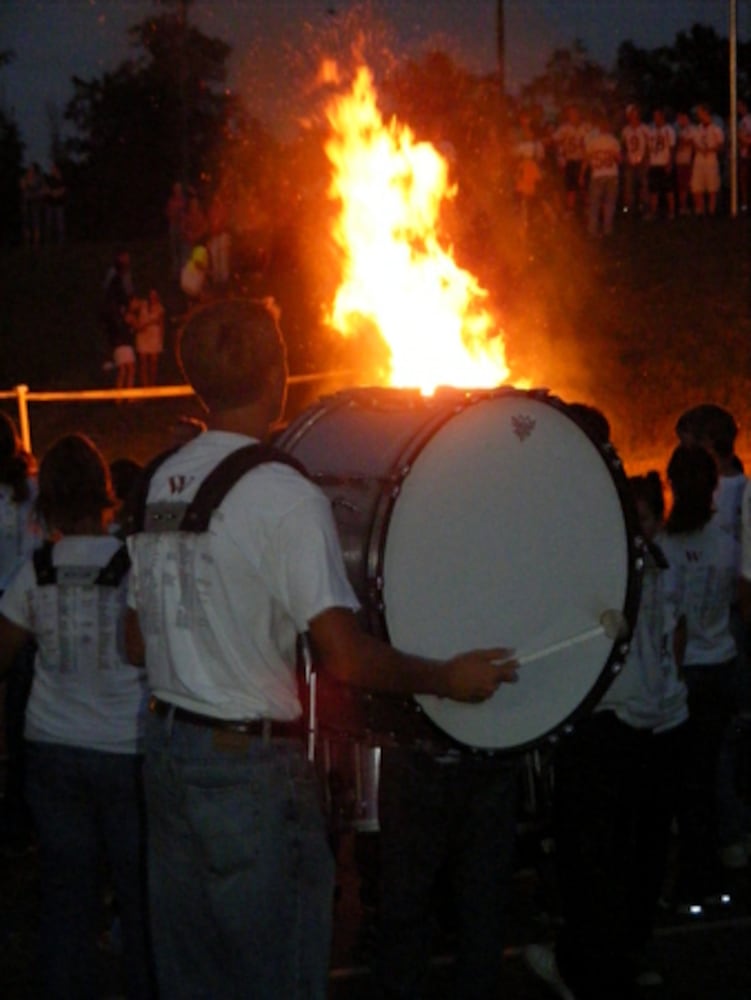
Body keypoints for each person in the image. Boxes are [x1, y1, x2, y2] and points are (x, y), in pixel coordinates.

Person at [123, 298, 519, 999]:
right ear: (278, 374)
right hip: (247, 768)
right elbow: (343, 655)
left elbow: (133, 640)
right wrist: (445, 678)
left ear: (195, 383)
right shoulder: (280, 492)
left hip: (163, 750)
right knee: (275, 973)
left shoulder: (159, 480)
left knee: (192, 976)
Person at [524, 470, 689, 1000]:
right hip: (650, 721)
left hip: (626, 723)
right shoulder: (649, 561)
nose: (638, 526)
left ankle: (595, 966)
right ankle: (620, 955)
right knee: (631, 853)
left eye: (644, 516)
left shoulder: (629, 563)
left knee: (608, 855)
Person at [0, 434, 154, 999]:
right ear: (104, 492)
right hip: (125, 748)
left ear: (48, 502)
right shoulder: (132, 562)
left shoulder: (34, 571)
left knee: (66, 901)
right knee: (141, 900)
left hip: (52, 748)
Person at [661, 444, 739, 911]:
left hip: (686, 673)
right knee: (709, 774)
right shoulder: (726, 543)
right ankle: (713, 871)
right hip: (721, 666)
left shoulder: (667, 548)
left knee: (685, 783)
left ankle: (692, 879)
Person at [0, 414, 39, 853]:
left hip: (14, 603)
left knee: (17, 711)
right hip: (26, 604)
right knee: (19, 711)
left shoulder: (28, 489)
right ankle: (19, 801)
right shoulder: (31, 489)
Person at [582, 110, 621, 237]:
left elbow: (586, 159)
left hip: (597, 174)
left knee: (595, 203)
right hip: (611, 174)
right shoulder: (614, 141)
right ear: (608, 127)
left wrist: (581, 174)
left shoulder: (593, 141)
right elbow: (619, 159)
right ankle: (607, 229)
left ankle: (592, 229)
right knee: (609, 203)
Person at [689, 103, 724, 216]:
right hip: (699, 160)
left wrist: (710, 150)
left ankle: (711, 210)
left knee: (712, 186)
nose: (698, 115)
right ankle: (700, 209)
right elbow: (693, 143)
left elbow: (720, 145)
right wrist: (699, 149)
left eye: (700, 112)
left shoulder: (716, 129)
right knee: (697, 186)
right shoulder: (696, 129)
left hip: (711, 160)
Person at [646, 108, 676, 220]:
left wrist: (670, 162)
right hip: (654, 163)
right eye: (654, 117)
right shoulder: (651, 130)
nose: (655, 119)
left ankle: (671, 211)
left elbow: (672, 147)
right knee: (653, 190)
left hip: (664, 162)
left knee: (669, 189)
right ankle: (653, 211)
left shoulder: (669, 130)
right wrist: (648, 160)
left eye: (657, 117)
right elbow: (649, 147)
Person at [132, 288, 166, 387]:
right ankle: (144, 386)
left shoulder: (160, 308)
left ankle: (152, 384)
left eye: (155, 295)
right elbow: (132, 307)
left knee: (153, 362)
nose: (153, 297)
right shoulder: (143, 304)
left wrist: (161, 339)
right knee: (143, 362)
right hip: (143, 335)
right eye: (151, 295)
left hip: (154, 335)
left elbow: (161, 324)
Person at [621, 104, 650, 216]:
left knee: (643, 187)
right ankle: (628, 210)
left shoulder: (644, 129)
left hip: (641, 161)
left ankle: (644, 209)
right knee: (629, 187)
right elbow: (623, 146)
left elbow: (648, 146)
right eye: (631, 114)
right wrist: (625, 159)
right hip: (630, 162)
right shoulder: (625, 130)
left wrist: (646, 160)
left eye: (635, 113)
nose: (633, 116)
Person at [44, 162, 67, 245]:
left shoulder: (62, 178)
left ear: (57, 169)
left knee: (60, 224)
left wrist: (55, 192)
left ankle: (61, 241)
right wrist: (53, 192)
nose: (52, 170)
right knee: (49, 223)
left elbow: (63, 190)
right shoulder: (49, 179)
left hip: (59, 204)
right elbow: (46, 189)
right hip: (49, 204)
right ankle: (48, 241)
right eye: (51, 168)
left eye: (53, 168)